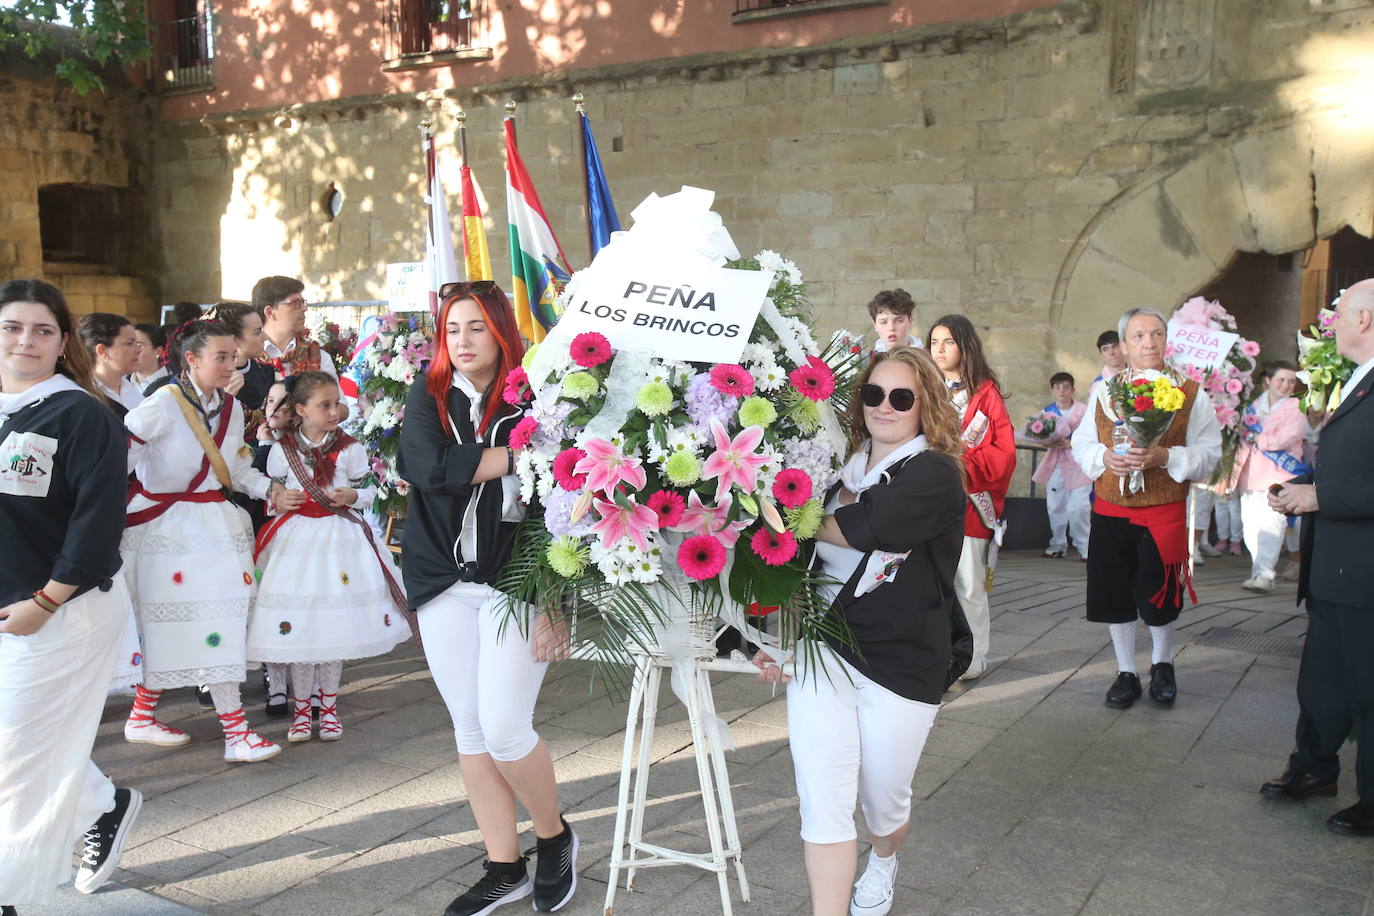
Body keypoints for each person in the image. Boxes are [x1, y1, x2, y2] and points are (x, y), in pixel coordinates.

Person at [754, 346, 968, 916]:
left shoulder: (935, 473)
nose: (885, 407)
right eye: (874, 394)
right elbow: (789, 564)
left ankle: (885, 858)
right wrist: (758, 635)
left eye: (902, 397)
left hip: (901, 663)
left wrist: (775, 512)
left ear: (926, 406)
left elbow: (868, 528)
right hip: (825, 652)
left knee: (883, 806)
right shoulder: (832, 468)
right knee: (823, 802)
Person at [398, 281, 577, 915]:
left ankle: (553, 836)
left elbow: (560, 502)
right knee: (470, 731)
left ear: (501, 331)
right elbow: (426, 469)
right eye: (452, 329)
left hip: (515, 582)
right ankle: (505, 866)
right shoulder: (428, 396)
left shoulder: (537, 396)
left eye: (477, 327)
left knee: (505, 727)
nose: (464, 341)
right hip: (442, 582)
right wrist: (511, 456)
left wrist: (553, 601)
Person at [0, 279, 143, 910]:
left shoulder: (82, 414)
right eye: (11, 327)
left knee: (14, 762)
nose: (25, 340)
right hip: (10, 606)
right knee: (18, 741)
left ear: (63, 343)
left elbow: (95, 524)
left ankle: (9, 890)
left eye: (41, 330)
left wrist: (47, 601)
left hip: (62, 609)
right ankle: (102, 803)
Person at [120, 319, 298, 763]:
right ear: (192, 360)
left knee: (218, 619)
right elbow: (116, 460)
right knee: (178, 622)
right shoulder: (161, 404)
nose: (230, 364)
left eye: (231, 355)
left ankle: (150, 715)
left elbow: (235, 470)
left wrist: (270, 490)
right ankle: (232, 731)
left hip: (212, 526)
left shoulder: (232, 409)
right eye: (219, 357)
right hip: (163, 529)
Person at [1262, 279, 1374, 837]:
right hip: (1332, 566)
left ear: (1365, 320)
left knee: (1368, 687)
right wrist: (1300, 486)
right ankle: (1313, 768)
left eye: (1341, 314)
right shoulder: (1357, 380)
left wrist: (1321, 497)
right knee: (1322, 679)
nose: (1330, 326)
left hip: (1366, 571)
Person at [247, 372, 408, 742]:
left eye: (336, 403)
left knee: (333, 627)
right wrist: (279, 500)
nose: (335, 410)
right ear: (301, 410)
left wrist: (354, 497)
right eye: (325, 405)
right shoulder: (280, 450)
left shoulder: (351, 448)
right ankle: (302, 711)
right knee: (301, 629)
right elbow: (274, 492)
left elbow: (369, 486)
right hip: (296, 544)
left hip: (338, 542)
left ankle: (329, 707)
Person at [1071, 308, 1220, 710]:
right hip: (1112, 507)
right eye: (1138, 336)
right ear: (1123, 345)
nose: (1148, 342)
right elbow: (1081, 443)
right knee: (1114, 591)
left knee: (1159, 591)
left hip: (1162, 509)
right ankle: (1125, 671)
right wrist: (1104, 457)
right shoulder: (1104, 391)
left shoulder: (1190, 392)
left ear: (1166, 340)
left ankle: (1163, 663)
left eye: (1156, 334)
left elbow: (1210, 455)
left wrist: (1166, 457)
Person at [927, 314, 1015, 680]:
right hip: (928, 503)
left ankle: (974, 657)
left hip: (969, 504)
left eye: (948, 342)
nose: (940, 349)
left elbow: (1003, 453)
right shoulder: (924, 388)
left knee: (968, 583)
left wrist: (960, 461)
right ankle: (936, 653)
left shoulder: (986, 394)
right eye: (934, 342)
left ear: (965, 346)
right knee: (929, 584)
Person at [1230, 361, 1306, 592]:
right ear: (1268, 381)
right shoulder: (1253, 405)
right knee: (1251, 528)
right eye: (1281, 380)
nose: (1285, 385)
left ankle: (1265, 574)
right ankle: (1259, 571)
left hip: (1278, 475)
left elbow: (1287, 436)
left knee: (1272, 525)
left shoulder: (1296, 406)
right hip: (1250, 473)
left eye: (1291, 381)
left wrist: (1260, 439)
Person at [1020, 372, 1091, 561]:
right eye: (1058, 387)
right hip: (1056, 463)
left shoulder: (1084, 410)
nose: (1062, 391)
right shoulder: (1047, 412)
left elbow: (1094, 434)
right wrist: (1047, 443)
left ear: (1073, 390)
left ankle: (1085, 546)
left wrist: (1073, 443)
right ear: (1052, 390)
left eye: (1066, 387)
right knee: (1055, 506)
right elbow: (1035, 434)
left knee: (1079, 507)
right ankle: (1058, 544)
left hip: (1079, 464)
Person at [252, 277, 338, 381]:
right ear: (270, 312)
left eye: (303, 303)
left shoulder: (318, 358)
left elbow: (335, 397)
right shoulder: (248, 357)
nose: (304, 309)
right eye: (296, 303)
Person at [206, 302, 274, 416]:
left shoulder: (268, 373)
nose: (265, 337)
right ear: (233, 339)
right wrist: (221, 403)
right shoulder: (206, 380)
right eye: (257, 332)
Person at [77, 313, 144, 415]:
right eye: (130, 343)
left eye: (138, 344)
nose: (138, 350)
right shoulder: (82, 395)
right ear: (102, 350)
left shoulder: (131, 390)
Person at [867, 288, 922, 356]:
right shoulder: (868, 361)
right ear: (875, 325)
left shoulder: (925, 358)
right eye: (883, 322)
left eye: (899, 321)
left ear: (910, 321)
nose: (891, 328)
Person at [130, 323, 170, 393]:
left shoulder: (171, 386)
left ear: (158, 351)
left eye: (139, 345)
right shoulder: (120, 383)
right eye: (129, 344)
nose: (132, 351)